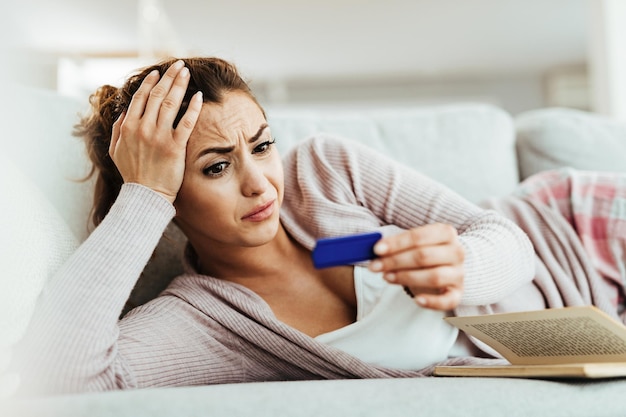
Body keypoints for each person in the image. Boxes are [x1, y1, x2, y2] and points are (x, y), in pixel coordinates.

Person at [12, 57, 625, 395]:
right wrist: (144, 192)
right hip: (599, 332)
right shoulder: (203, 322)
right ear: (169, 194)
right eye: (217, 167)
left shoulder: (324, 171)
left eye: (263, 145)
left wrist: (468, 266)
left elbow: (509, 240)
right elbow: (60, 374)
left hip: (573, 227)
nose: (260, 185)